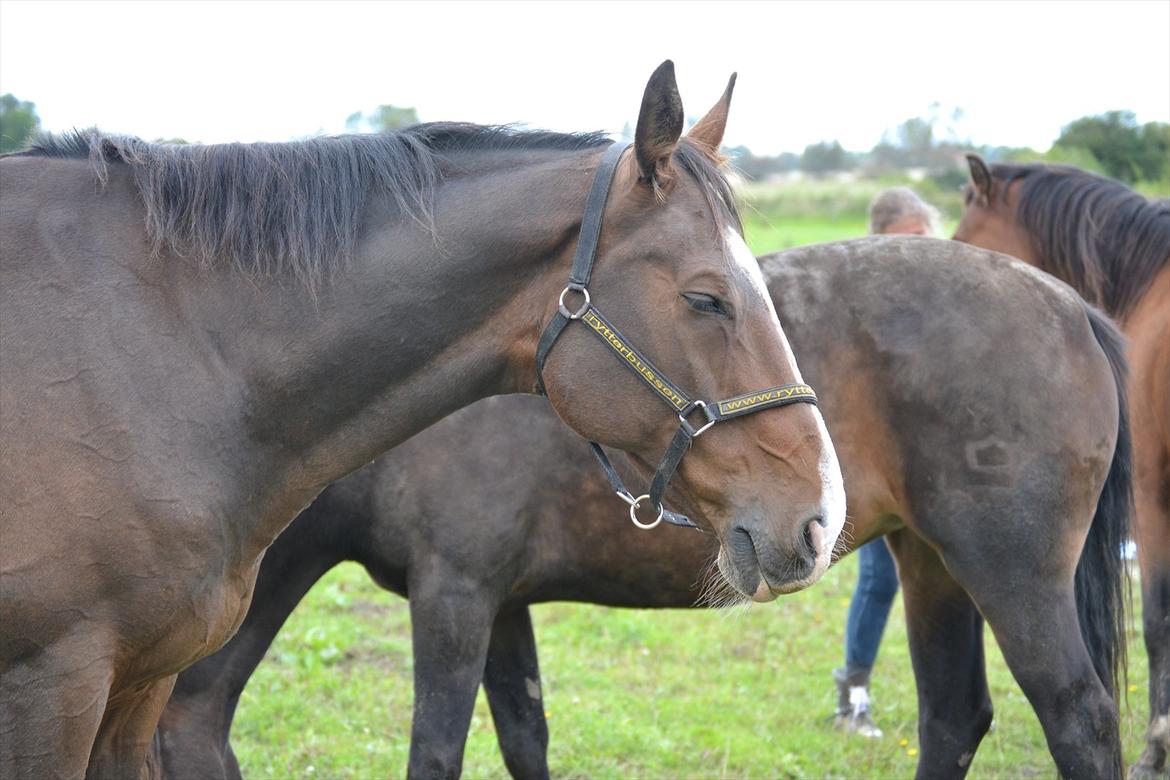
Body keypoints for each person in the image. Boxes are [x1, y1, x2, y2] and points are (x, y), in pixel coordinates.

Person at [833, 187, 940, 739]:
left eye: (920, 241)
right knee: (878, 577)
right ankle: (852, 694)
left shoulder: (947, 292)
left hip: (935, 458)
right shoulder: (865, 301)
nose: (914, 255)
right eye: (902, 245)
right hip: (882, 458)